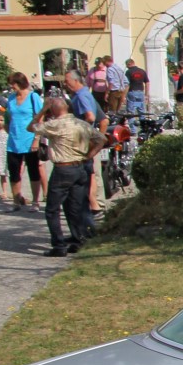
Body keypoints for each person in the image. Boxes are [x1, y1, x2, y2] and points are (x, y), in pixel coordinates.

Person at [29, 94, 100, 255]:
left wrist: (42, 110)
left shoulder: (55, 124)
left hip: (63, 169)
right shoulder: (80, 123)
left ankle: (59, 245)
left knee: (52, 209)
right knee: (74, 207)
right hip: (80, 168)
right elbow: (101, 139)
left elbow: (31, 127)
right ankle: (78, 239)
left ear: (53, 110)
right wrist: (89, 155)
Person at [63, 69, 107, 225]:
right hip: (88, 141)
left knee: (87, 176)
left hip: (83, 142)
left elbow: (90, 117)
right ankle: (96, 206)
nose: (65, 84)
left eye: (67, 81)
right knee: (92, 174)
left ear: (76, 81)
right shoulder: (85, 95)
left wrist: (82, 132)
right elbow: (103, 120)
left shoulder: (81, 96)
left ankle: (94, 208)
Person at [3, 73, 45, 209]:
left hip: (29, 139)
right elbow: (8, 116)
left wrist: (36, 139)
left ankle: (35, 201)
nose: (11, 87)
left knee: (33, 171)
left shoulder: (34, 97)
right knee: (14, 172)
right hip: (13, 141)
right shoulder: (11, 99)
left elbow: (40, 119)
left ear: (19, 83)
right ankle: (16, 201)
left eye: (13, 85)